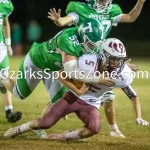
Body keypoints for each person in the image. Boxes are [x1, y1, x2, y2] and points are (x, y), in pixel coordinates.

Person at [4, 38, 146, 141]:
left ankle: (64, 136)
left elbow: (133, 96)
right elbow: (60, 74)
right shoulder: (86, 61)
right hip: (72, 97)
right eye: (113, 58)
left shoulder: (122, 73)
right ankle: (20, 129)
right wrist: (78, 90)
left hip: (91, 103)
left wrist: (138, 116)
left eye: (119, 59)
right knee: (45, 123)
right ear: (103, 55)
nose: (116, 63)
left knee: (94, 128)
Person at [48, 0, 146, 137]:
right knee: (62, 93)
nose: (104, 2)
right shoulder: (81, 8)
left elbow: (131, 17)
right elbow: (64, 21)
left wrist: (140, 2)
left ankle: (113, 128)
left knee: (108, 95)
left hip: (100, 57)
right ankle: (44, 123)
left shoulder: (111, 11)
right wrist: (58, 20)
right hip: (81, 56)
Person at [0, 0, 22, 122]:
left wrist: (8, 44)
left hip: (0, 45)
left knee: (4, 77)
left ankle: (9, 111)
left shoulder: (6, 3)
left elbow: (5, 23)